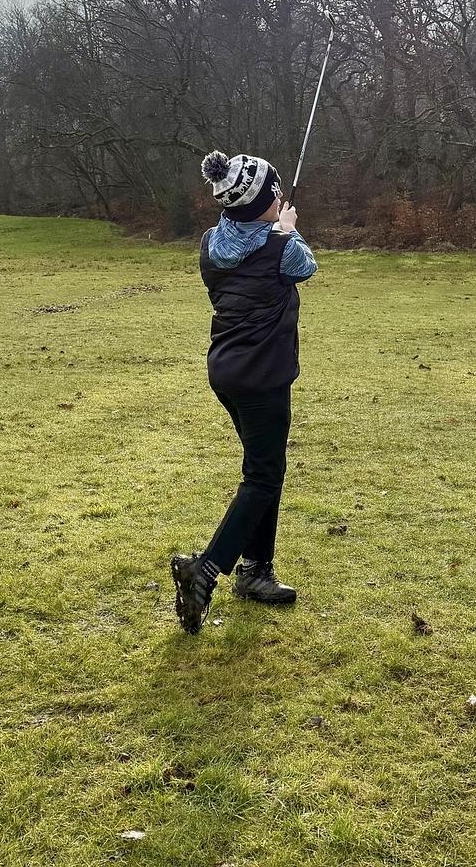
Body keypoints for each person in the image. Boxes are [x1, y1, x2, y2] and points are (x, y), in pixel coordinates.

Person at [170, 149, 318, 635]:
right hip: (262, 377)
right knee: (263, 477)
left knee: (263, 470)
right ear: (268, 199)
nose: (282, 196)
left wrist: (276, 228)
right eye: (276, 191)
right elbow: (306, 267)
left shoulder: (211, 242)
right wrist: (289, 229)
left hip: (227, 372)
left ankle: (256, 571)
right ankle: (207, 569)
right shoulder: (283, 248)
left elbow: (248, 244)